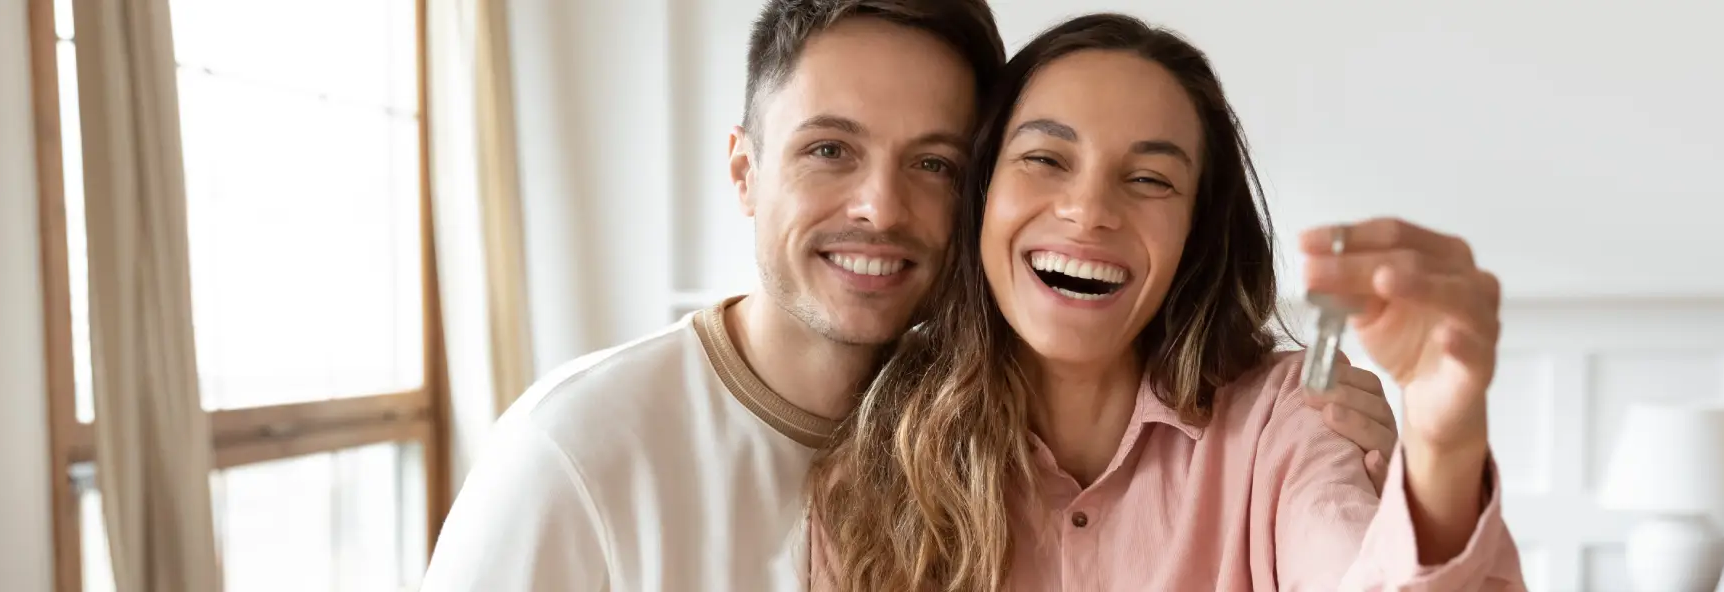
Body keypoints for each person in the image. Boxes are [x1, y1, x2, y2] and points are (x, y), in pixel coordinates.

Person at [420, 2, 1399, 590]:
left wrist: (1412, 479)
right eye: (829, 150)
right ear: (745, 170)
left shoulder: (966, 428)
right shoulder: (579, 452)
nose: (881, 207)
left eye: (932, 162)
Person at [811, 13, 1526, 591]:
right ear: (982, 197)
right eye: (1045, 159)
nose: (1089, 211)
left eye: (1150, 179)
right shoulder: (875, 452)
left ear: (1195, 230)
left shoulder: (1291, 417)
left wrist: (1446, 441)